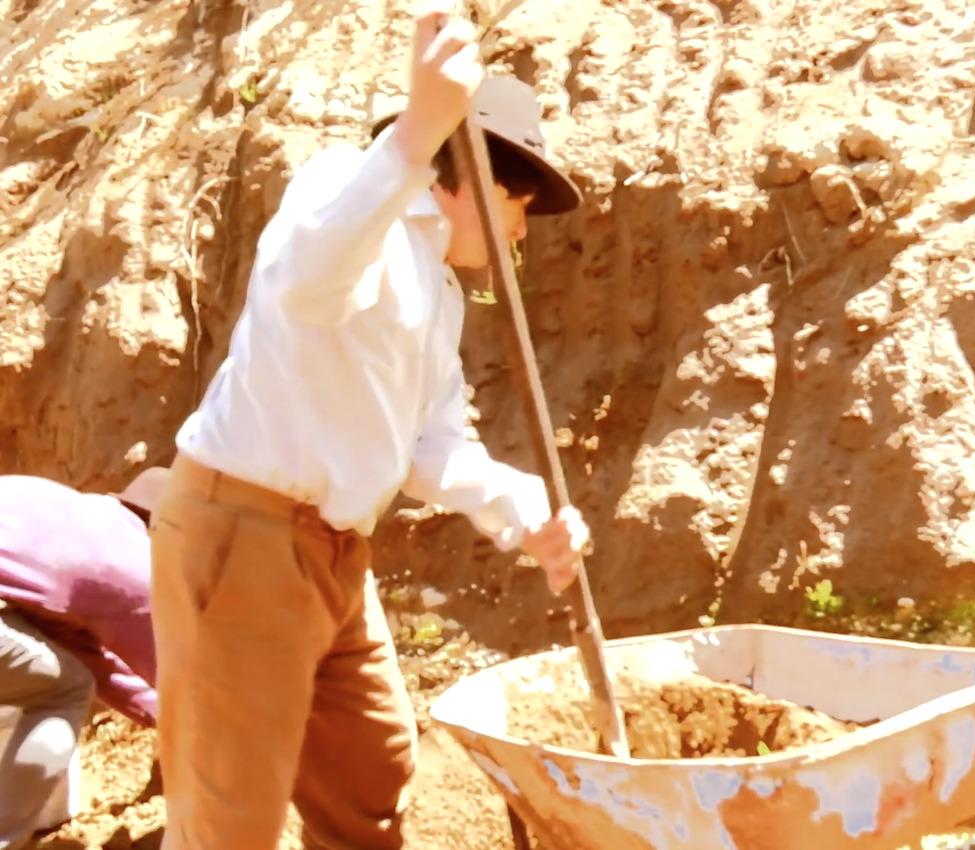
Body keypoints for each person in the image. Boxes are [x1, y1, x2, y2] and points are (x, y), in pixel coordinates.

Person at [150, 6, 590, 850]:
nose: (521, 232)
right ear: (470, 177)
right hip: (239, 539)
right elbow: (306, 287)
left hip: (336, 556)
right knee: (226, 821)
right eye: (519, 204)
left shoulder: (439, 292)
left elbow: (431, 446)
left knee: (370, 776)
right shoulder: (346, 198)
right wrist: (421, 128)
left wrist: (525, 510)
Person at [0, 467, 166, 849]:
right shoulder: (133, 562)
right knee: (62, 694)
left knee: (59, 678)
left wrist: (159, 713)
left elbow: (93, 665)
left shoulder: (61, 507)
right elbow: (178, 683)